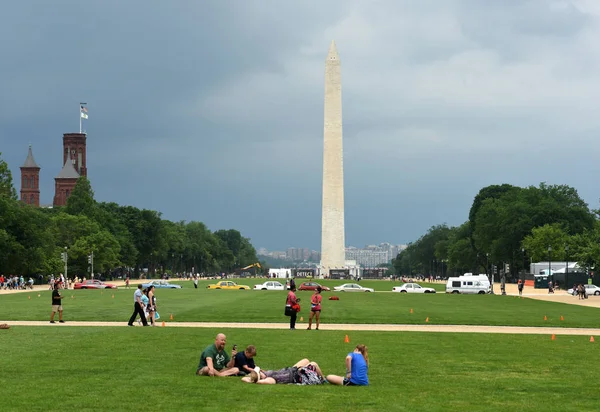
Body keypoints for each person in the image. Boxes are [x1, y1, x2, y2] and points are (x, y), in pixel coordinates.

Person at [241, 359, 325, 385]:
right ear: (260, 376)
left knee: (306, 360)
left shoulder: (266, 374)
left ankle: (319, 376)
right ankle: (323, 379)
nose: (261, 370)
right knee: (314, 364)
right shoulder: (270, 379)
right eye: (259, 371)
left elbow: (243, 378)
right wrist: (255, 381)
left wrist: (252, 378)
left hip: (292, 370)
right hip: (296, 375)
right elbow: (262, 382)